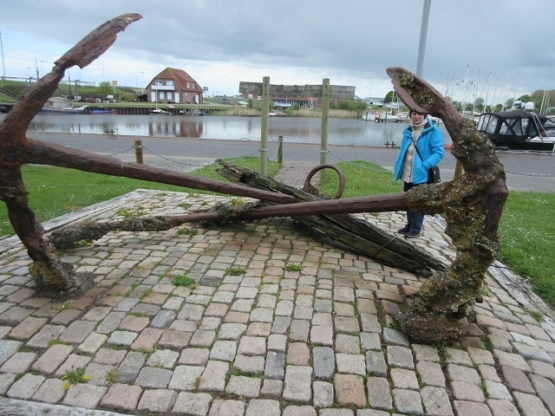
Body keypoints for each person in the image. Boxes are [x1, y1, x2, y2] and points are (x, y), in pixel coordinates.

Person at [393, 109, 444, 238]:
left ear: (424, 115)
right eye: (414, 113)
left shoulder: (433, 131)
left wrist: (424, 165)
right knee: (408, 202)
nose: (416, 116)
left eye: (419, 114)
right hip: (408, 172)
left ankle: (416, 229)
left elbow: (438, 153)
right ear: (410, 115)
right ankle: (409, 225)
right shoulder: (408, 130)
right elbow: (404, 151)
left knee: (419, 203)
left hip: (421, 174)